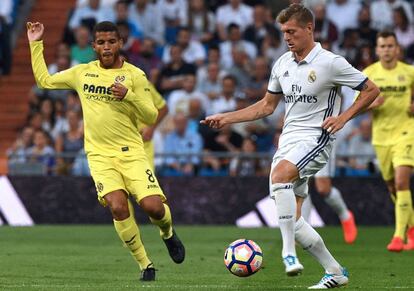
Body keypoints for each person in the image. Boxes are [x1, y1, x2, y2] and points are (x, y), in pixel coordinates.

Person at [201, 4, 379, 288]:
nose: (286, 37)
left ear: (309, 29)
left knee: (280, 177)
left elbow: (371, 89)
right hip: (288, 142)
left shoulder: (331, 62)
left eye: (291, 31)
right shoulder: (282, 63)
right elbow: (266, 106)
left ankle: (288, 254)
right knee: (294, 220)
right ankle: (335, 272)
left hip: (316, 138)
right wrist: (226, 118)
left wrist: (344, 117)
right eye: (283, 32)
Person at [27, 20, 185, 281]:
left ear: (120, 43)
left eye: (112, 41)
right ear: (94, 46)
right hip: (100, 156)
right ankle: (146, 264)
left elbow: (151, 113)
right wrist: (35, 44)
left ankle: (167, 234)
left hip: (132, 152)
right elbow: (44, 81)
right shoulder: (83, 73)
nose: (107, 47)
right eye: (101, 42)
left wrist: (129, 95)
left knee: (153, 207)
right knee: (117, 207)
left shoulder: (135, 75)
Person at [363, 30, 414, 252]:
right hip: (381, 137)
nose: (386, 50)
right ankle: (411, 230)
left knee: (402, 181)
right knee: (393, 187)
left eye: (390, 46)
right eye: (382, 46)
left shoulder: (409, 72)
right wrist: (373, 104)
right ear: (377, 49)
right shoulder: (369, 74)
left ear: (397, 49)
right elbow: (358, 105)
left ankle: (398, 236)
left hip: (407, 132)